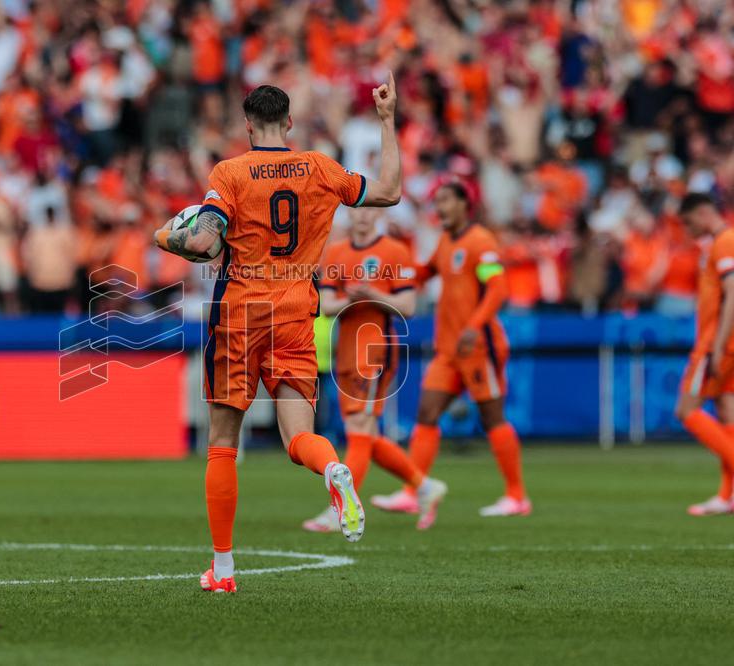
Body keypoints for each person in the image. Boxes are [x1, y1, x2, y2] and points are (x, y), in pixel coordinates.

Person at [154, 78, 403, 593]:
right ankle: (332, 467)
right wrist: (386, 121)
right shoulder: (318, 166)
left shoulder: (230, 172)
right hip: (296, 310)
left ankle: (223, 572)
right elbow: (389, 192)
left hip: (240, 312)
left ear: (248, 125)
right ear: (288, 123)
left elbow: (203, 244)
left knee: (223, 443)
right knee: (298, 438)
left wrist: (167, 238)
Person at [371, 181, 532, 517]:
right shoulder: (447, 241)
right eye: (436, 201)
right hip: (448, 349)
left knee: (492, 418)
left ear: (463, 203)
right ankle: (413, 490)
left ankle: (517, 496)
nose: (439, 207)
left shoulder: (480, 242)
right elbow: (425, 273)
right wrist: (392, 263)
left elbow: (498, 288)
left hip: (478, 346)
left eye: (444, 200)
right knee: (427, 413)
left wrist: (474, 327)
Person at [303, 207, 447, 533]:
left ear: (378, 215)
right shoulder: (337, 252)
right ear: (348, 217)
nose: (363, 217)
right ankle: (424, 487)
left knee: (358, 428)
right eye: (357, 212)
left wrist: (373, 294)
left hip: (376, 351)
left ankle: (338, 508)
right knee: (367, 433)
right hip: (345, 352)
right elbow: (326, 305)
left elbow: (408, 306)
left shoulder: (394, 251)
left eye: (369, 211)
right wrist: (353, 298)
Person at [674, 193, 734, 517]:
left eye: (687, 222)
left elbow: (733, 294)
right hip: (724, 341)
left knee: (686, 409)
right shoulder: (722, 242)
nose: (687, 229)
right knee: (727, 413)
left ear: (702, 212)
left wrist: (718, 344)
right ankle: (728, 496)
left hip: (716, 342)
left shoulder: (725, 241)